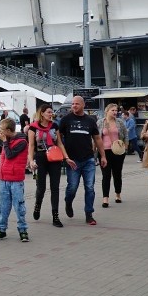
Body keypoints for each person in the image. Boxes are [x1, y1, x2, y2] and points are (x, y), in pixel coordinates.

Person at [58, 96, 106, 226]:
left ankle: (89, 214)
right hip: (72, 161)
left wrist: (103, 156)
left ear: (83, 105)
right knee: (72, 187)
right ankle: (68, 202)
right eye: (73, 104)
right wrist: (64, 155)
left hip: (88, 159)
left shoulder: (90, 120)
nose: (74, 106)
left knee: (89, 187)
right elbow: (58, 138)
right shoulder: (65, 120)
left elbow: (97, 139)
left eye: (77, 104)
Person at [27, 104, 64, 227]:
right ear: (42, 113)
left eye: (51, 112)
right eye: (48, 112)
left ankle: (55, 216)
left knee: (55, 187)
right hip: (40, 158)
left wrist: (66, 157)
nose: (51, 114)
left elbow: (59, 143)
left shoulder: (54, 126)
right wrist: (31, 160)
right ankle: (38, 206)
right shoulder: (33, 127)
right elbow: (31, 145)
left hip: (54, 157)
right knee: (41, 188)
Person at [0, 118, 29, 242]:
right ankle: (1, 230)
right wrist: (4, 141)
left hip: (16, 180)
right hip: (4, 179)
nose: (0, 132)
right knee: (3, 206)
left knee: (19, 206)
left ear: (9, 130)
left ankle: (23, 230)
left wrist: (4, 142)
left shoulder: (21, 142)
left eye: (2, 130)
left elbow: (9, 155)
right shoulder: (6, 140)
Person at [97, 103, 128, 207]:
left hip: (118, 152)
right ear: (107, 111)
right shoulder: (100, 122)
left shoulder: (119, 122)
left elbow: (125, 135)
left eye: (116, 110)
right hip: (104, 152)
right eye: (113, 110)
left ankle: (118, 194)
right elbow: (96, 137)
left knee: (117, 174)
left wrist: (125, 147)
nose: (115, 112)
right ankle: (105, 198)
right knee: (106, 175)